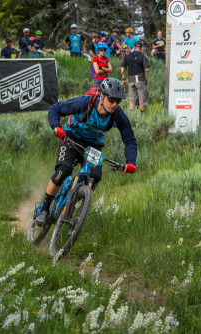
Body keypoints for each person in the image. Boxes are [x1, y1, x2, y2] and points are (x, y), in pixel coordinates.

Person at [34, 78, 137, 225]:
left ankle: (78, 209)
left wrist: (131, 162)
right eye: (111, 99)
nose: (114, 104)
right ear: (102, 96)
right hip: (71, 137)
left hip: (93, 144)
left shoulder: (118, 115)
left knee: (95, 176)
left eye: (118, 101)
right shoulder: (86, 103)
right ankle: (44, 209)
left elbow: (130, 139)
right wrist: (56, 127)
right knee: (64, 169)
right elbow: (54, 109)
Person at [120, 41, 150, 112]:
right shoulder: (142, 56)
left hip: (131, 80)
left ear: (134, 47)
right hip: (140, 80)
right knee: (142, 100)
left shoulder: (128, 56)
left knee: (132, 100)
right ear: (141, 48)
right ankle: (142, 118)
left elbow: (122, 67)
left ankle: (131, 117)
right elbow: (147, 69)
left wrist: (123, 79)